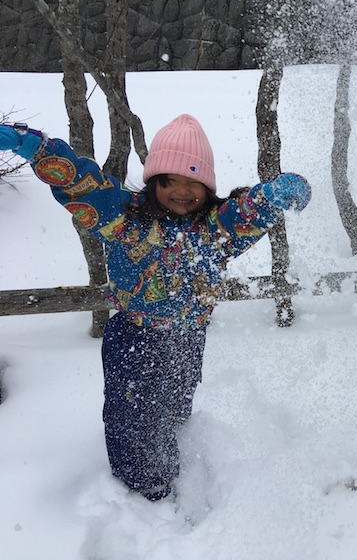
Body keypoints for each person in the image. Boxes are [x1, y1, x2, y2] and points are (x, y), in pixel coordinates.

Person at [0, 114, 311, 501]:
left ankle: (172, 449)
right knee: (133, 416)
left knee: (175, 405)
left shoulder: (215, 228)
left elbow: (248, 209)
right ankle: (145, 487)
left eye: (193, 181)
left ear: (208, 186)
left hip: (187, 337)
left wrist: (275, 194)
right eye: (169, 181)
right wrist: (36, 147)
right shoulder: (122, 215)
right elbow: (79, 181)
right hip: (134, 338)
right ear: (152, 182)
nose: (181, 191)